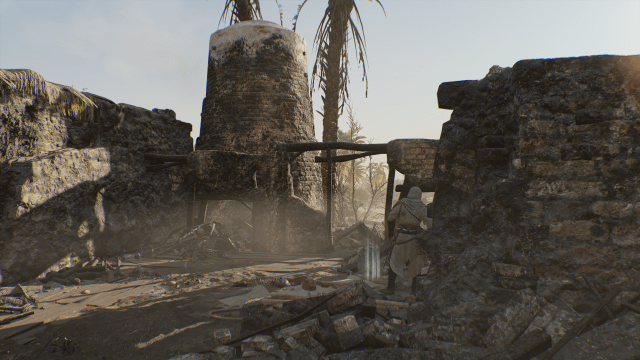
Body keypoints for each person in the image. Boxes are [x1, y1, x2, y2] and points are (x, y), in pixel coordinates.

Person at [384, 186, 431, 294]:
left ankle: (390, 288)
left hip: (401, 237)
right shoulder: (422, 207)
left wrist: (390, 233)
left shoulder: (402, 204)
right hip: (415, 239)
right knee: (416, 264)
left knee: (394, 262)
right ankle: (415, 290)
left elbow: (390, 217)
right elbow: (429, 223)